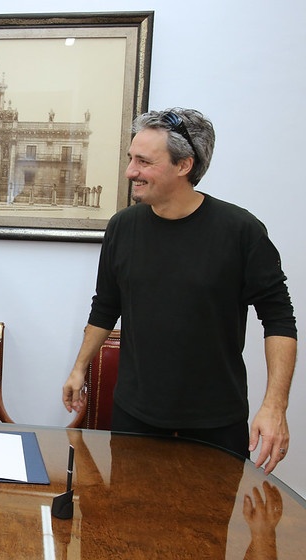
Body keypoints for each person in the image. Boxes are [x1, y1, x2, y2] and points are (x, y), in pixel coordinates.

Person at [62, 108, 297, 474]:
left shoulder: (241, 231)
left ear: (184, 165)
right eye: (131, 159)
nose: (130, 172)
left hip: (215, 422)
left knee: (208, 514)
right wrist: (79, 368)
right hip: (134, 415)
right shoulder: (122, 227)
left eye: (144, 161)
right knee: (128, 512)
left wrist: (275, 406)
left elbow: (279, 319)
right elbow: (106, 306)